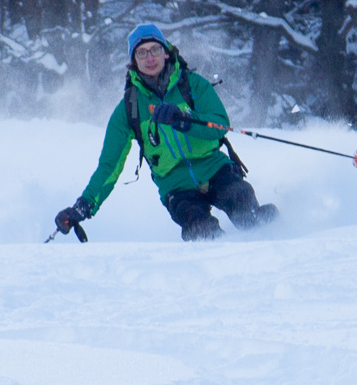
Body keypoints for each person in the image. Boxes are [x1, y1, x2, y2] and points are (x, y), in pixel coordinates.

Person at [55, 23, 276, 242]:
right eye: (142, 53)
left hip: (215, 169)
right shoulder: (128, 109)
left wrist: (184, 120)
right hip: (176, 187)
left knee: (245, 207)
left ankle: (280, 244)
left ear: (166, 53)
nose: (150, 58)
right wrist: (84, 205)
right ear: (134, 61)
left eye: (155, 50)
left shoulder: (193, 85)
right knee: (200, 231)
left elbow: (219, 126)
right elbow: (109, 166)